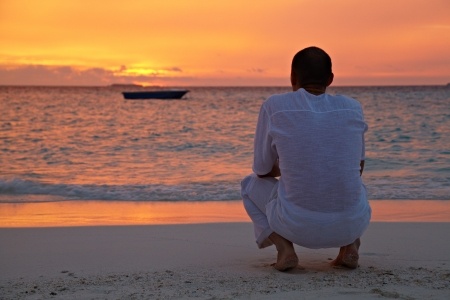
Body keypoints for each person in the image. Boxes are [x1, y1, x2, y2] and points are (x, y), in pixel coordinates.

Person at [241, 46, 371, 271]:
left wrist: (290, 166)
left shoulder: (275, 106)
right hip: (351, 223)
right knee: (355, 184)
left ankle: (285, 250)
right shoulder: (353, 108)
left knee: (248, 185)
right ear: (330, 79)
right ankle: (350, 246)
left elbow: (261, 169)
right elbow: (357, 168)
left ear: (292, 77)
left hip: (296, 225)